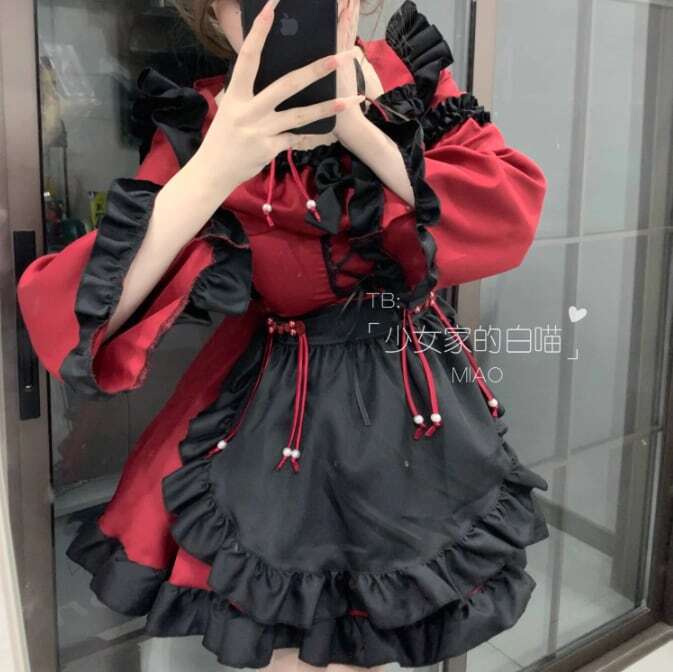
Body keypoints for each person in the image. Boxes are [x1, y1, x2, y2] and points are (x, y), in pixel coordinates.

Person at [16, 0, 551, 669]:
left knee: (388, 624)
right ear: (212, 12)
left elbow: (507, 214)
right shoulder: (205, 124)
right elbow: (79, 312)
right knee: (290, 640)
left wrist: (357, 127)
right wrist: (217, 163)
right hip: (275, 417)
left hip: (413, 403)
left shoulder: (409, 79)